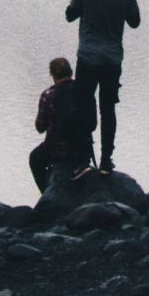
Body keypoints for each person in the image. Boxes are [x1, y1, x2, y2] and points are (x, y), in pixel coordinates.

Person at [65, 0, 142, 170]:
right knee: (108, 108)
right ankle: (107, 160)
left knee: (83, 105)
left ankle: (84, 158)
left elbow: (70, 15)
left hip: (88, 57)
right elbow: (135, 22)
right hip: (112, 58)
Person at [28, 56, 97, 200]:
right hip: (82, 150)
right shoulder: (84, 92)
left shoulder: (48, 95)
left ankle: (47, 195)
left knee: (34, 159)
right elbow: (93, 125)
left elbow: (40, 127)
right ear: (71, 72)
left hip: (56, 150)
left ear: (53, 76)